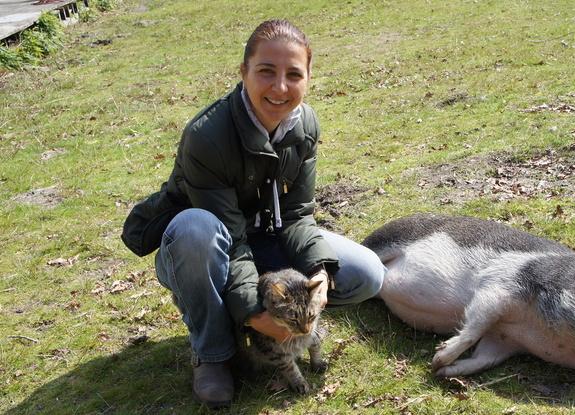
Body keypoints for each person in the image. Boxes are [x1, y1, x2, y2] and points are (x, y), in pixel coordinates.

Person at [120, 19, 384, 408]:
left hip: (268, 242)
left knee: (366, 275)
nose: (280, 87)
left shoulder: (305, 124)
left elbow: (297, 215)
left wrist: (319, 273)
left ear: (308, 77)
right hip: (209, 248)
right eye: (266, 71)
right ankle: (213, 353)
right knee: (196, 229)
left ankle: (286, 323)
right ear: (243, 72)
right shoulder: (207, 135)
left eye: (294, 74)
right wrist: (252, 310)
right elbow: (232, 239)